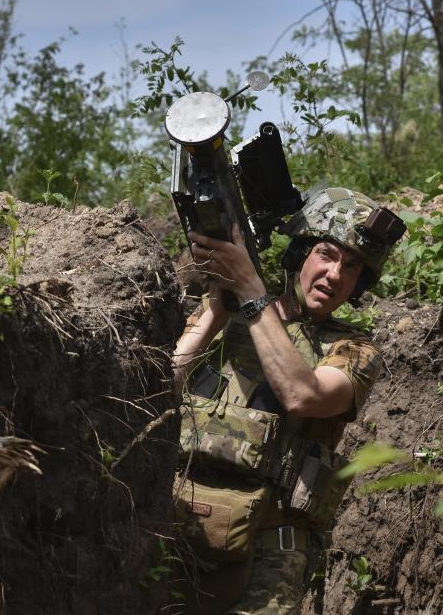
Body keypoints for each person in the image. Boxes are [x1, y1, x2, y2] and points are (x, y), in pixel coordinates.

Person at [172, 187, 405, 615]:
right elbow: (163, 385)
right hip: (180, 528)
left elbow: (303, 395)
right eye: (326, 254)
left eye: (351, 266)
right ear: (299, 254)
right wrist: (218, 309)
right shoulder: (230, 315)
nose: (336, 274)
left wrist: (250, 291)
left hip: (271, 552)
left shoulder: (356, 350)